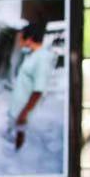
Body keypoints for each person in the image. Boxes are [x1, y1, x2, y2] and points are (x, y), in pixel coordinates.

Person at [8, 19, 56, 151]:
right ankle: (17, 148)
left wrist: (24, 113)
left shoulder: (42, 58)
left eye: (21, 39)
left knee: (21, 134)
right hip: (19, 106)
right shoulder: (32, 55)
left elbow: (38, 90)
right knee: (18, 132)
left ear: (29, 39)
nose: (19, 42)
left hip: (24, 109)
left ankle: (19, 152)